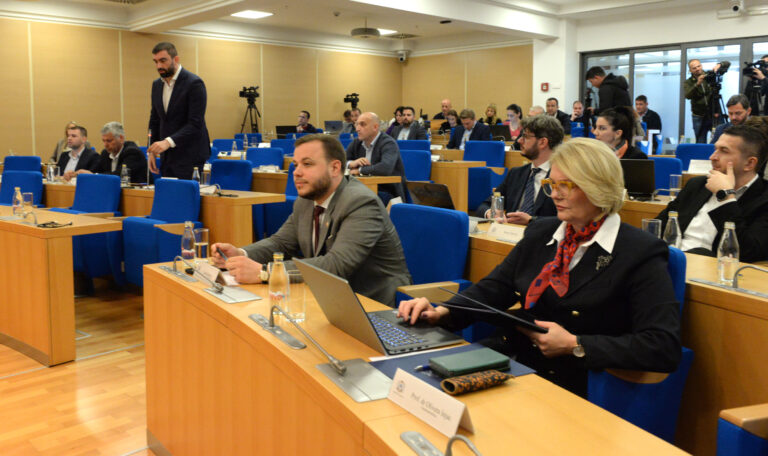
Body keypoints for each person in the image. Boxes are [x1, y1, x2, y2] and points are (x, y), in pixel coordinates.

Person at [399, 137, 682, 397]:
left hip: (577, 381)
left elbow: (662, 346)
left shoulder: (639, 252)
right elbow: (495, 288)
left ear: (598, 187)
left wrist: (576, 344)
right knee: (416, 388)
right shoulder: (542, 232)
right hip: (514, 361)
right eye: (551, 185)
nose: (554, 195)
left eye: (565, 186)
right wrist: (443, 311)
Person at [211, 134, 412, 307]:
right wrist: (241, 253)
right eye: (295, 164)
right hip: (329, 298)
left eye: (307, 164)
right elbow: (281, 243)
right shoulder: (306, 201)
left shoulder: (361, 203)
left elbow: (336, 265)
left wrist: (265, 272)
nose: (296, 172)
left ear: (335, 168)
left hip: (372, 305)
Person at [656, 124, 768, 262]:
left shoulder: (764, 199)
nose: (712, 157)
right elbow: (660, 226)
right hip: (672, 262)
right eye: (715, 149)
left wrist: (726, 197)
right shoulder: (697, 185)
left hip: (716, 270)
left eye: (724, 151)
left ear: (749, 163)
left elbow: (748, 252)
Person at [476, 114, 560, 224]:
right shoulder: (516, 174)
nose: (519, 140)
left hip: (543, 234)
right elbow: (485, 205)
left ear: (542, 142)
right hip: (509, 232)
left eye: (525, 136)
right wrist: (492, 213)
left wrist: (531, 220)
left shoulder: (562, 177)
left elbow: (567, 220)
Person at [147, 41, 211, 179]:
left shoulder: (194, 83)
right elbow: (154, 120)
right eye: (156, 62)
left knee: (186, 192)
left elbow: (195, 123)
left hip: (191, 154)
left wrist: (167, 142)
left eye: (163, 61)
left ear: (176, 59)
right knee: (169, 192)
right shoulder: (157, 85)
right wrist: (151, 150)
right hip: (167, 156)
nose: (159, 66)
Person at [345, 112, 407, 203]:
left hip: (388, 192)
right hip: (362, 189)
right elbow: (340, 161)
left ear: (375, 127)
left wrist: (359, 170)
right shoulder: (356, 143)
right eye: (356, 124)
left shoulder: (388, 143)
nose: (357, 129)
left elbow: (385, 168)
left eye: (362, 124)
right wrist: (351, 164)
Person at [72, 122, 147, 184]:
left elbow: (118, 176)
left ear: (121, 138)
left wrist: (93, 175)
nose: (105, 145)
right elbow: (97, 171)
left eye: (109, 141)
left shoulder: (133, 152)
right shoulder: (105, 153)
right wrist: (78, 173)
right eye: (103, 141)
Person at [684, 59, 719, 144]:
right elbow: (687, 95)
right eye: (694, 68)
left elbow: (727, 64)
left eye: (698, 66)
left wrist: (719, 64)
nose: (697, 69)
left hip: (713, 113)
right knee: (700, 141)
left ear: (701, 66)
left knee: (718, 139)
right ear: (690, 70)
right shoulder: (688, 82)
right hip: (698, 116)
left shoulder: (709, 75)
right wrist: (697, 84)